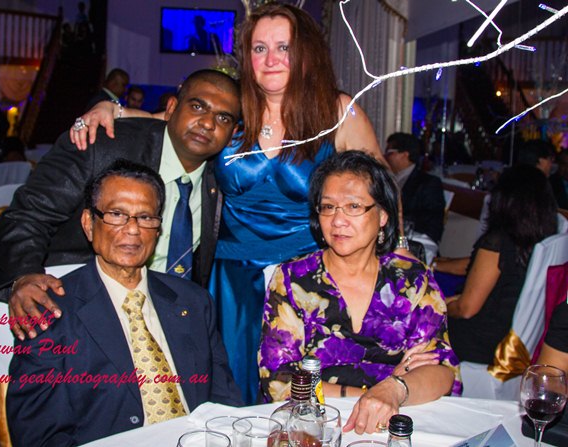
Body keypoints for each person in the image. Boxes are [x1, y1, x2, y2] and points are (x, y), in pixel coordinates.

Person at [72, 3, 388, 404]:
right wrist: (111, 108)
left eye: (283, 47)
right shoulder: (235, 106)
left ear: (305, 52)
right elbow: (170, 121)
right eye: (259, 48)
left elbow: (380, 192)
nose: (270, 59)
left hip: (309, 278)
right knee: (233, 388)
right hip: (232, 280)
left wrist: (392, 260)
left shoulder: (338, 110)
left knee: (304, 392)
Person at [0, 69, 240, 343]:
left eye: (223, 118)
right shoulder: (101, 144)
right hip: (74, 307)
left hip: (165, 321)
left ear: (232, 134)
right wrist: (24, 275)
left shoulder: (225, 180)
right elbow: (29, 213)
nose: (207, 123)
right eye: (197, 106)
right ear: (170, 109)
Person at [6, 160, 242, 446]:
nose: (132, 229)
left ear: (158, 229)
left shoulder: (193, 301)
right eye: (116, 214)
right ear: (88, 224)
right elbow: (37, 433)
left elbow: (224, 401)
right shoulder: (49, 311)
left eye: (145, 217)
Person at [258, 151, 460, 434]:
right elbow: (279, 381)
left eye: (353, 206)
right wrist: (378, 393)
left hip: (391, 424)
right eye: (328, 207)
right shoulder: (294, 279)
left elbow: (441, 372)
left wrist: (394, 389)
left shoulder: (412, 280)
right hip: (313, 426)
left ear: (383, 215)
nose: (337, 220)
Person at [446, 165, 558, 363]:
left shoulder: (499, 241)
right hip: (514, 335)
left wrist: (438, 307)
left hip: (480, 344)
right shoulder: (541, 238)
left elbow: (466, 309)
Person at [385, 132, 445, 242]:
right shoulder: (387, 179)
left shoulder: (428, 183)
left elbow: (433, 227)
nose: (385, 157)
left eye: (390, 153)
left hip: (412, 241)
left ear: (405, 155)